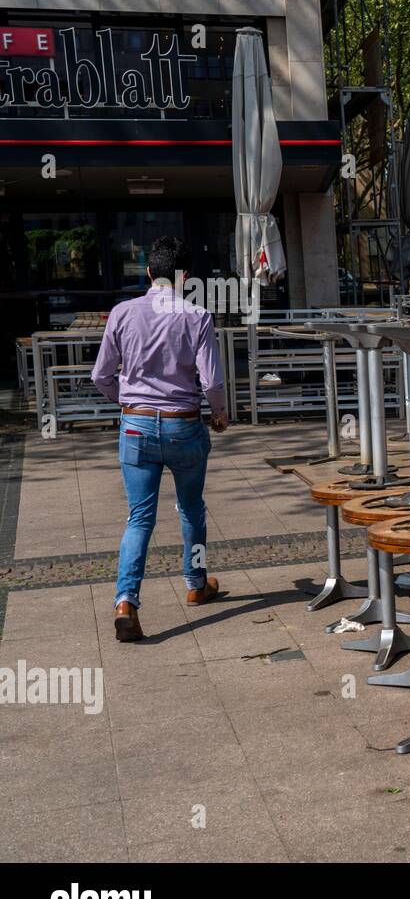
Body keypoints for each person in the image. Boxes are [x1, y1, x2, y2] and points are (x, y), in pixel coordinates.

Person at [91, 236, 230, 642]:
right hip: (183, 424)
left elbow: (101, 375)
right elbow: (213, 381)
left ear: (149, 272)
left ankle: (125, 601)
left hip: (135, 428)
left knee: (139, 518)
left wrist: (128, 403)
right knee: (191, 509)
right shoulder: (198, 316)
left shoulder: (121, 313)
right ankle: (196, 583)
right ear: (184, 277)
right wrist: (219, 415)